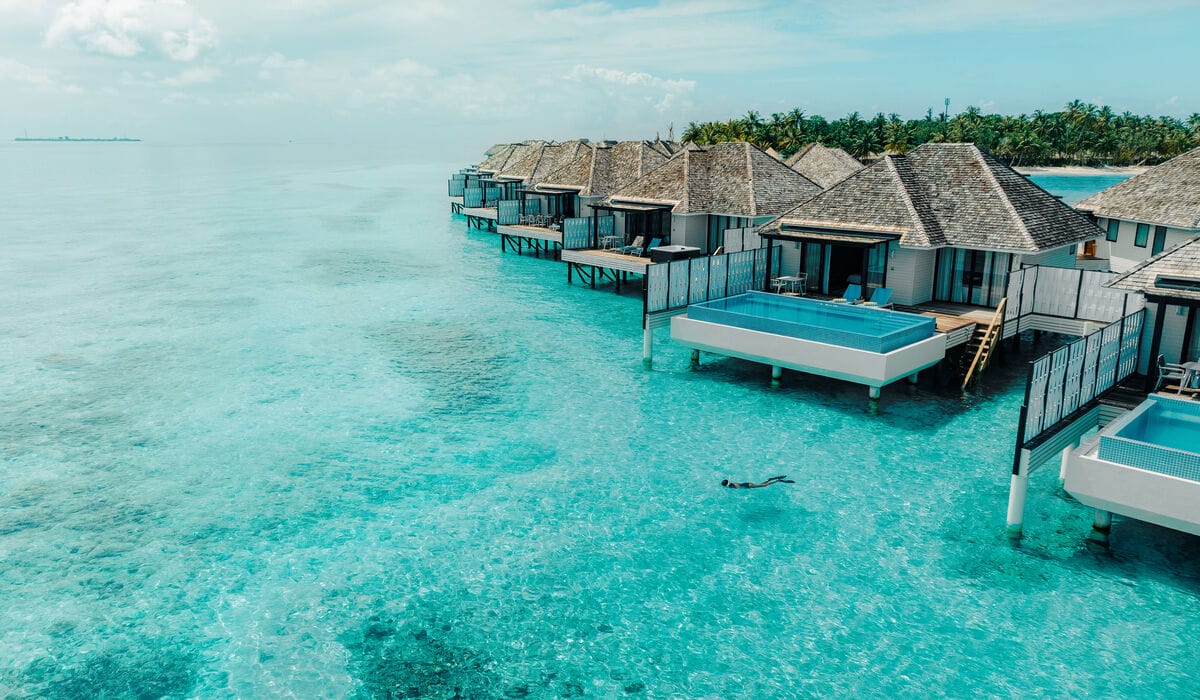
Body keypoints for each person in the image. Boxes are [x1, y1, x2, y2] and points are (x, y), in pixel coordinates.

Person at [721, 475, 794, 489]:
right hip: (747, 484)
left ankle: (777, 480)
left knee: (764, 485)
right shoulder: (731, 483)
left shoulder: (732, 486)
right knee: (762, 484)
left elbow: (739, 486)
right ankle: (771, 479)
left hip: (749, 486)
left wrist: (739, 488)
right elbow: (729, 477)